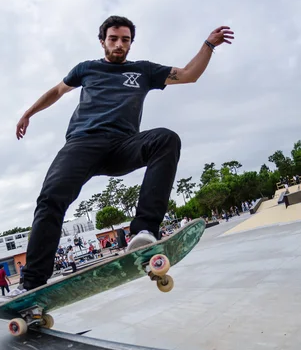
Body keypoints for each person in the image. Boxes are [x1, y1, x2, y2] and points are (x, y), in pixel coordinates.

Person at [16, 16, 234, 291]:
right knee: (50, 200)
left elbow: (189, 75)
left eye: (125, 40)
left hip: (122, 145)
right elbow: (58, 91)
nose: (119, 45)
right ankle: (31, 283)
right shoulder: (86, 69)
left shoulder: (143, 71)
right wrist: (28, 113)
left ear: (131, 42)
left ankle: (144, 231)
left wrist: (208, 45)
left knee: (166, 139)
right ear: (102, 41)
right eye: (113, 39)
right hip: (82, 143)